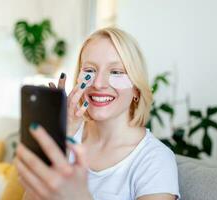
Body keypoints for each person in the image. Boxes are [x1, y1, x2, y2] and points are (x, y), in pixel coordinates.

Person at [15, 27, 180, 200]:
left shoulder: (155, 159)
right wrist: (61, 137)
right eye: (90, 71)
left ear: (137, 90)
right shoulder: (69, 136)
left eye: (116, 72)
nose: (99, 84)